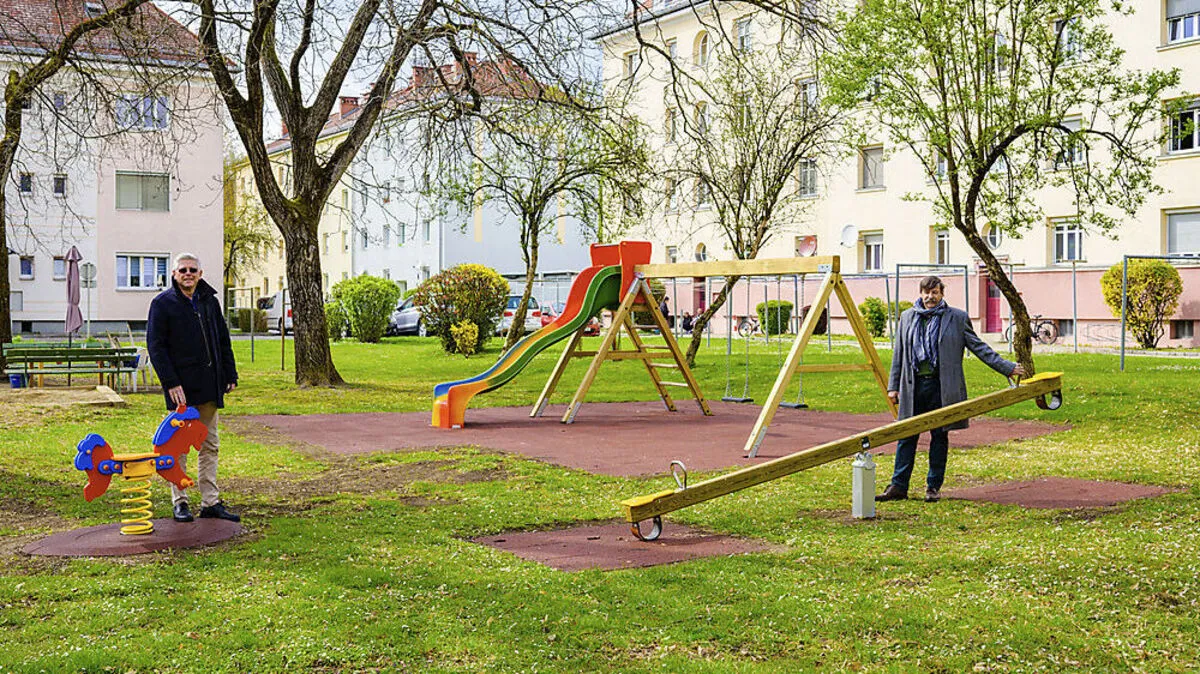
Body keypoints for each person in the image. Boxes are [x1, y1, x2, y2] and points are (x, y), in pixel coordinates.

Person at [877, 275, 1026, 504]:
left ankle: (933, 486)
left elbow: (979, 348)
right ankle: (898, 486)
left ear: (942, 294)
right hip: (913, 386)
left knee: (939, 436)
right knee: (906, 435)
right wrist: (893, 387)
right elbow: (899, 354)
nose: (930, 297)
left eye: (935, 292)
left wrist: (1007, 368)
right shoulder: (907, 317)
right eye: (926, 292)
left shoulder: (956, 318)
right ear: (920, 293)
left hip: (941, 387)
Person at [147, 253, 240, 523]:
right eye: (183, 270)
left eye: (193, 270)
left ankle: (210, 502)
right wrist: (170, 382)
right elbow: (156, 346)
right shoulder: (162, 304)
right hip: (182, 390)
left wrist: (229, 373)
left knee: (210, 444)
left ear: (200, 273)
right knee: (179, 447)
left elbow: (223, 339)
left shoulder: (209, 301)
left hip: (210, 385)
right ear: (174, 274)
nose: (188, 274)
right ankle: (181, 501)